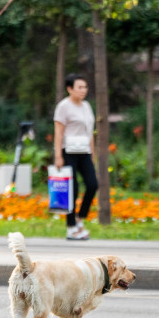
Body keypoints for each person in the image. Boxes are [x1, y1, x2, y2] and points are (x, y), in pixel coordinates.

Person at [54, 73, 98, 241]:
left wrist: (92, 153)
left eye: (85, 87)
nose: (83, 90)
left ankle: (80, 218)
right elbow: (58, 132)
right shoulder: (63, 106)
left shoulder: (86, 106)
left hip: (85, 152)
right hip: (68, 152)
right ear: (69, 89)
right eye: (79, 87)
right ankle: (71, 227)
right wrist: (58, 156)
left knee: (93, 185)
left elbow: (90, 132)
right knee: (72, 189)